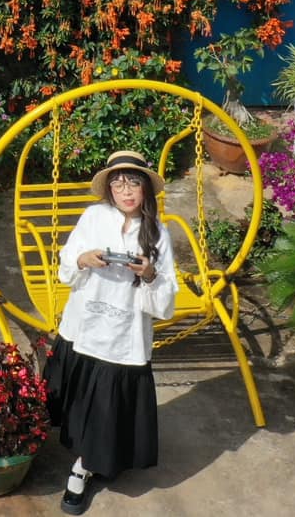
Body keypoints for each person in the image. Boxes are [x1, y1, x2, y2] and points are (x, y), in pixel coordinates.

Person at [43, 150, 177, 513]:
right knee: (79, 397)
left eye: (134, 181)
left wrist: (148, 273)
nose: (126, 190)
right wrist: (84, 259)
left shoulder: (157, 233)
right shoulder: (93, 216)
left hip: (124, 333)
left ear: (146, 188)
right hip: (84, 323)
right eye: (118, 183)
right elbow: (67, 263)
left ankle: (82, 468)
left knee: (107, 400)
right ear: (109, 189)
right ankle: (88, 452)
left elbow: (165, 303)